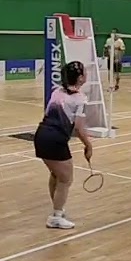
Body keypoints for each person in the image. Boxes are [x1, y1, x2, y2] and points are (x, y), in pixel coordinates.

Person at [33, 61, 94, 230]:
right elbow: (79, 128)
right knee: (66, 179)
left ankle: (57, 209)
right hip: (55, 140)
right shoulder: (80, 99)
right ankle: (56, 217)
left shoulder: (56, 92)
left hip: (41, 136)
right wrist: (88, 146)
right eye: (84, 72)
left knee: (56, 175)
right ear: (80, 78)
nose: (86, 74)